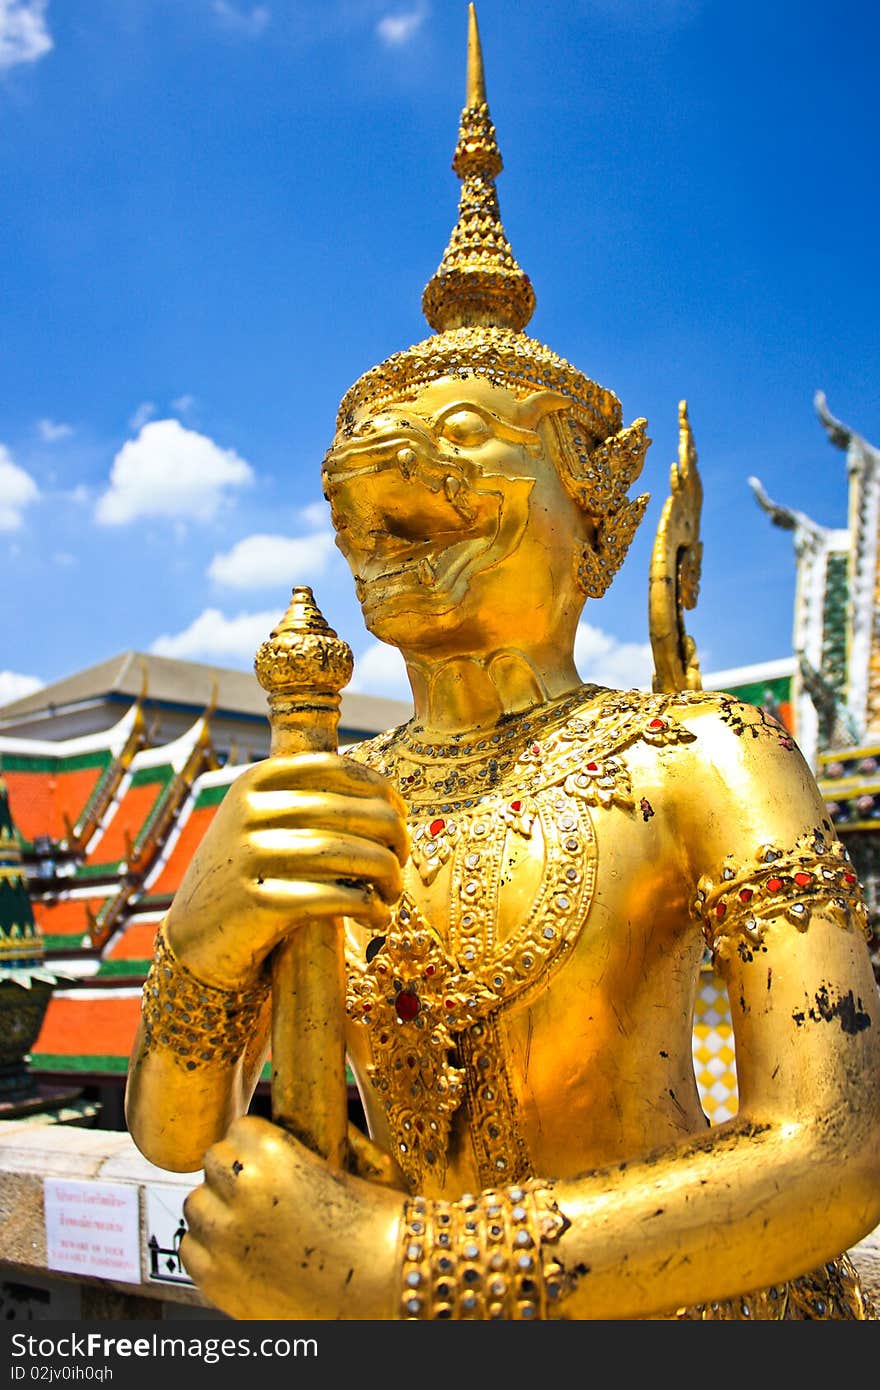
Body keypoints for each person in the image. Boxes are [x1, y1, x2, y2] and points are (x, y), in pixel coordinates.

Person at [124, 7, 880, 1320]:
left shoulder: (706, 757)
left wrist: (403, 1265)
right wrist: (202, 934)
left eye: (463, 443)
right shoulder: (337, 789)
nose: (389, 497)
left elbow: (838, 1144)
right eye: (366, 478)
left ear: (599, 521)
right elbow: (177, 1134)